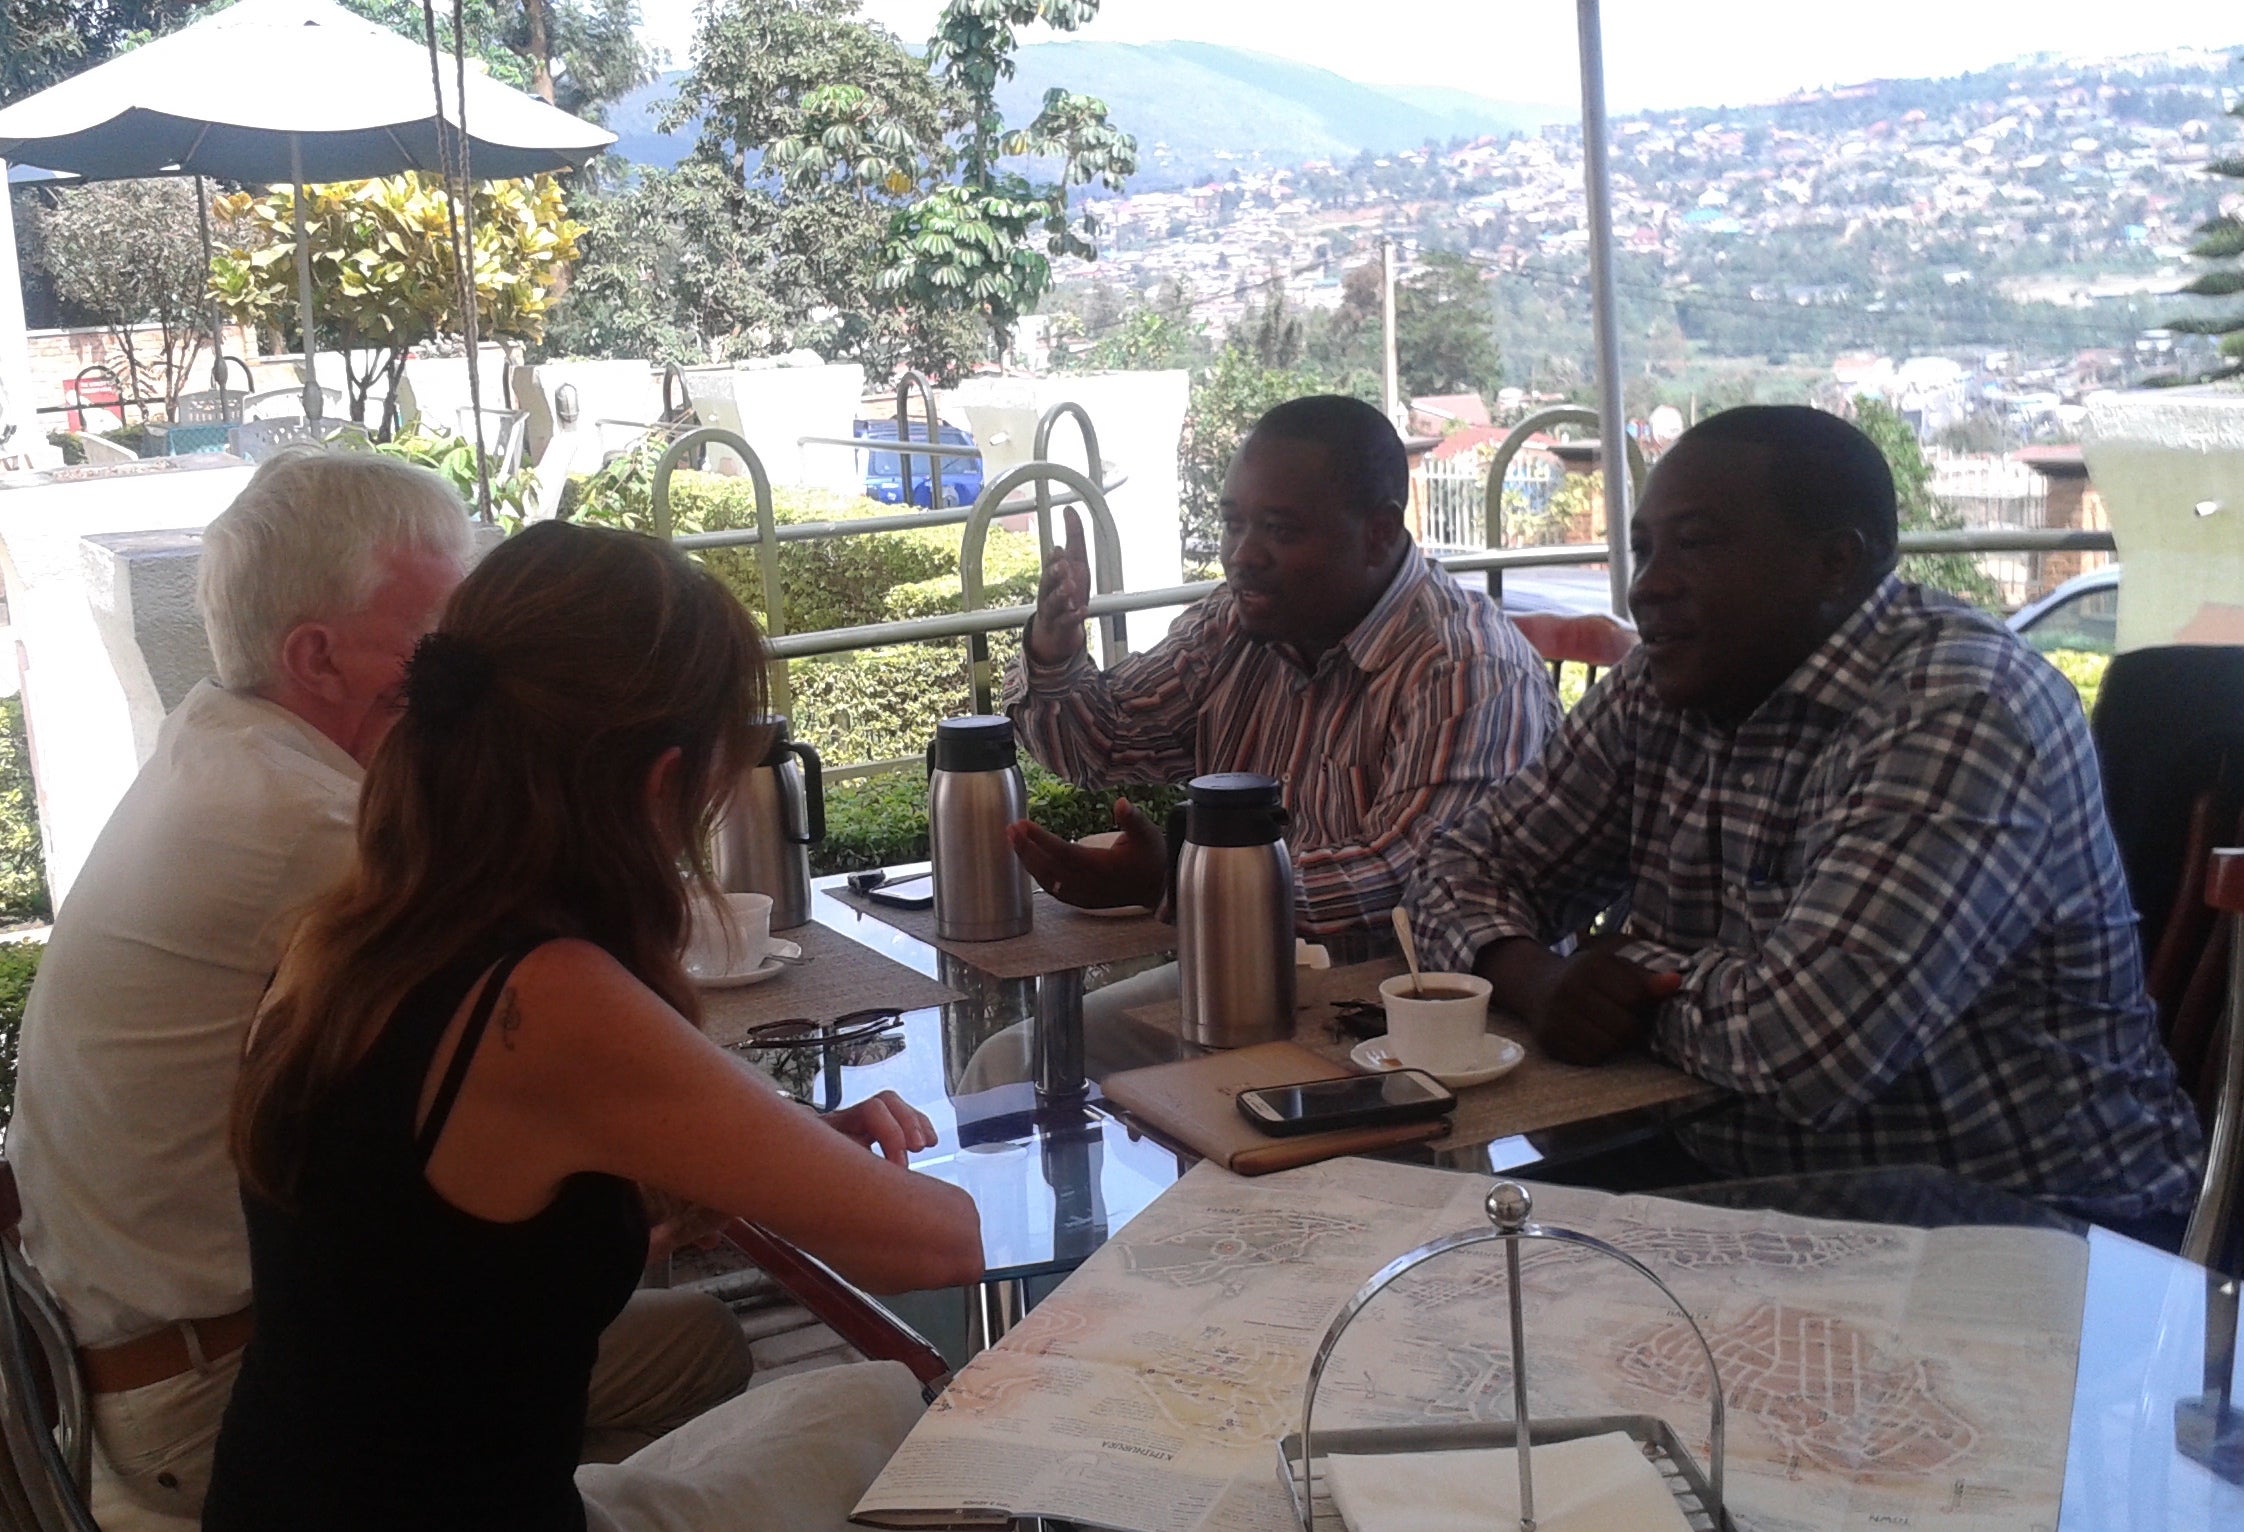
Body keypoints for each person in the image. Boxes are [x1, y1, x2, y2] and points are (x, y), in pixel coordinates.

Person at [6, 452, 753, 1532]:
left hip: (128, 1363)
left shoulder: (219, 747)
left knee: (676, 1326)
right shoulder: (316, 830)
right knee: (716, 1351)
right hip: (220, 1398)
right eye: (452, 641)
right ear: (317, 655)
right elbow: (596, 1041)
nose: (484, 672)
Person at [203, 519, 983, 1531]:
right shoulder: (545, 998)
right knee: (889, 1400)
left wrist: (770, 1153)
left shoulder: (344, 934)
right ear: (660, 781)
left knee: (846, 1410)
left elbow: (450, 1255)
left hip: (277, 1497)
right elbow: (942, 1245)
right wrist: (786, 1157)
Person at [1410, 405, 2203, 1237]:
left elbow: (1806, 1050)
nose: (1649, 583)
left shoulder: (1963, 708)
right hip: (1755, 1181)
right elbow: (1457, 867)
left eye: (1699, 542)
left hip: (2031, 1229)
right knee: (1428, 1255)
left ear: (1834, 563)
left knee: (1497, 1293)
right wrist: (1540, 979)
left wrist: (1620, 966)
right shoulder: (1668, 682)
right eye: (1646, 548)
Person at [1003, 393, 1558, 955]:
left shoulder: (1466, 668)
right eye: (1233, 524)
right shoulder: (1237, 623)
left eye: (1280, 531)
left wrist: (1183, 880)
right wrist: (1056, 645)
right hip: (1255, 979)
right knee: (1023, 1045)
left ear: (1380, 534)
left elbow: (1413, 879)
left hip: (1429, 1014)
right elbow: (1105, 742)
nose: (1243, 555)